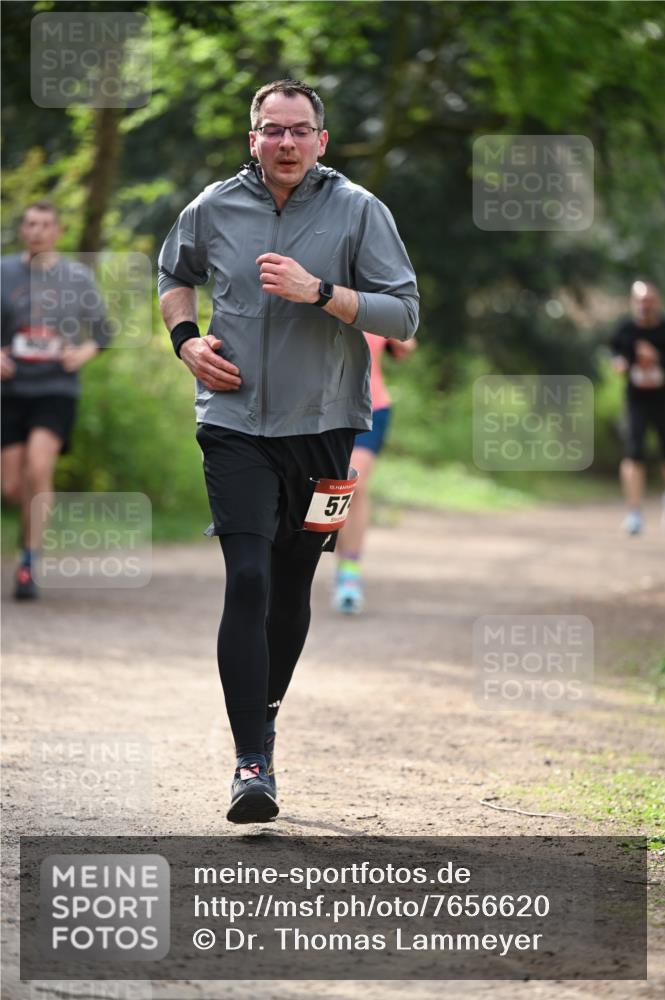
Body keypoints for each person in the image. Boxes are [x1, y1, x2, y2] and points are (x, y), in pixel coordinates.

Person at [158, 79, 419, 824]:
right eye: (271, 131)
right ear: (252, 138)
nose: (285, 143)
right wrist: (186, 343)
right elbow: (174, 275)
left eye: (299, 131)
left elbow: (403, 311)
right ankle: (251, 761)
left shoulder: (359, 211)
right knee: (246, 576)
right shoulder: (212, 207)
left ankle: (264, 716)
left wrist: (321, 292)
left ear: (321, 139)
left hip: (330, 425)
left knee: (292, 580)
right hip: (233, 420)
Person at [1, 201, 111, 599]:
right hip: (11, 390)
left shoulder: (76, 278)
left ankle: (29, 562)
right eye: (30, 224)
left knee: (38, 466)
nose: (37, 232)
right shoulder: (4, 272)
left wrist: (81, 354)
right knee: (12, 487)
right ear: (22, 230)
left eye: (45, 225)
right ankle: (27, 536)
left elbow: (102, 332)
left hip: (56, 388)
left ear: (58, 232)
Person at [333, 331, 417, 614]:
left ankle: (349, 572)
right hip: (321, 407)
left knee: (353, 482)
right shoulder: (313, 288)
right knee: (330, 484)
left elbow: (406, 344)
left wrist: (396, 335)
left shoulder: (377, 291)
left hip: (372, 404)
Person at [610, 280, 665, 535]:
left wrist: (656, 358)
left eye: (650, 300)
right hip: (636, 399)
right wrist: (623, 362)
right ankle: (634, 513)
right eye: (641, 300)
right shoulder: (625, 329)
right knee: (634, 453)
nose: (646, 305)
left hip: (664, 398)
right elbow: (616, 356)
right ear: (634, 302)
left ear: (657, 301)